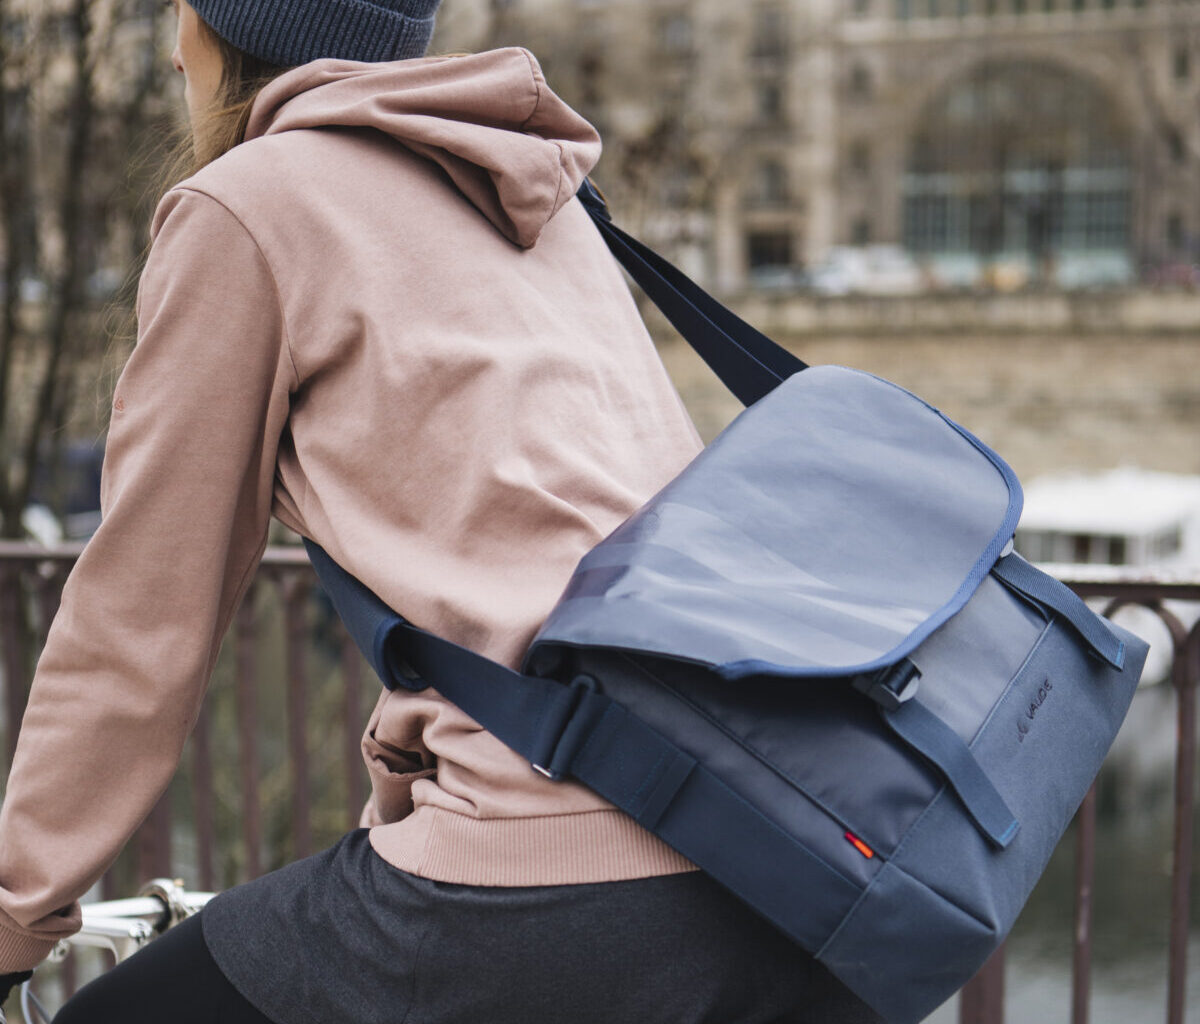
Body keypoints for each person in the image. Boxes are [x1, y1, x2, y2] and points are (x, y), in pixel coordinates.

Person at [0, 2, 883, 1021]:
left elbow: (139, 621)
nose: (170, 43)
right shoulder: (547, 196)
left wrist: (17, 917)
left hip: (547, 872)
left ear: (223, 30)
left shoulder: (245, 208)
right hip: (768, 857)